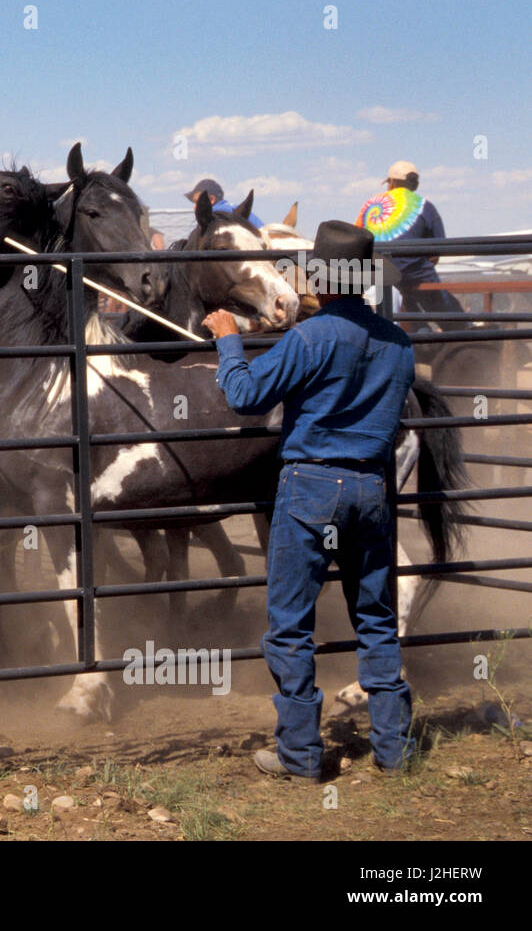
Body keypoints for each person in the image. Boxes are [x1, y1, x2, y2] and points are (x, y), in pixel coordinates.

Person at [203, 220, 418, 781]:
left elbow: (246, 396)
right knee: (375, 616)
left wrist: (228, 339)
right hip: (372, 486)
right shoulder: (398, 342)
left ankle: (299, 755)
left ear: (319, 282)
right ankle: (394, 750)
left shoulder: (311, 337)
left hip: (312, 487)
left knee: (291, 625)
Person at [355, 161, 467, 331]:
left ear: (391, 183)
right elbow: (439, 247)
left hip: (376, 274)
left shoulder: (370, 205)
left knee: (400, 305)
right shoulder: (424, 206)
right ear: (415, 184)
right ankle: (462, 334)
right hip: (415, 275)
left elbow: (356, 238)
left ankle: (416, 332)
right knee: (446, 310)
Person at [185, 178, 263, 229]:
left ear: (211, 199)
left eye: (197, 202)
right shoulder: (230, 208)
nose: (194, 207)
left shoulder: (217, 214)